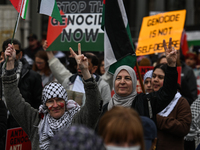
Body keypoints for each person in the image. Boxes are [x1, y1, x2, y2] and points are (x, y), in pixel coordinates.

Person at [3, 43, 102, 150]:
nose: (55, 105)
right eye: (50, 101)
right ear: (45, 104)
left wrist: (85, 71)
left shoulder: (77, 120)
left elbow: (94, 107)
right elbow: (13, 102)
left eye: (59, 100)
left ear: (65, 101)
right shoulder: (36, 122)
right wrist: (10, 63)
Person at [99, 38, 178, 123]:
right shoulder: (106, 109)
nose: (122, 82)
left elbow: (167, 93)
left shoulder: (145, 103)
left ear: (133, 83)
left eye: (127, 78)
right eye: (118, 78)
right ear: (114, 82)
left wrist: (171, 66)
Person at [43, 40, 111, 106]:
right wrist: (49, 52)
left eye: (85, 63)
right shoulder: (68, 81)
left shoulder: (103, 85)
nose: (80, 66)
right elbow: (58, 69)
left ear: (94, 68)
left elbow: (105, 110)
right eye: (79, 62)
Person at [1, 39, 43, 129]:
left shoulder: (33, 76)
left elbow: (38, 103)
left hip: (23, 126)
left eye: (16, 51)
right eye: (9, 51)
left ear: (21, 54)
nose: (12, 55)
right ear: (3, 54)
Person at [153, 64, 191, 150]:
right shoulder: (147, 99)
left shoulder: (180, 102)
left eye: (160, 77)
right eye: (154, 76)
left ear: (169, 80)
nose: (155, 80)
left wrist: (157, 119)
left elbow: (184, 128)